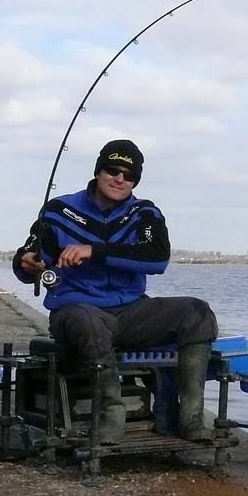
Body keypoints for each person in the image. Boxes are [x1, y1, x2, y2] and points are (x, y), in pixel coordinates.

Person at [12, 139, 217, 444]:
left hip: (131, 311)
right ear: (98, 171)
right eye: (113, 169)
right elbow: (27, 258)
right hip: (76, 311)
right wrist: (26, 263)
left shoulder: (145, 213)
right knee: (88, 321)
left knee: (197, 313)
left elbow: (157, 258)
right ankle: (110, 416)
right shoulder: (58, 210)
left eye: (129, 175)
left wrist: (94, 251)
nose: (120, 178)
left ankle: (190, 418)